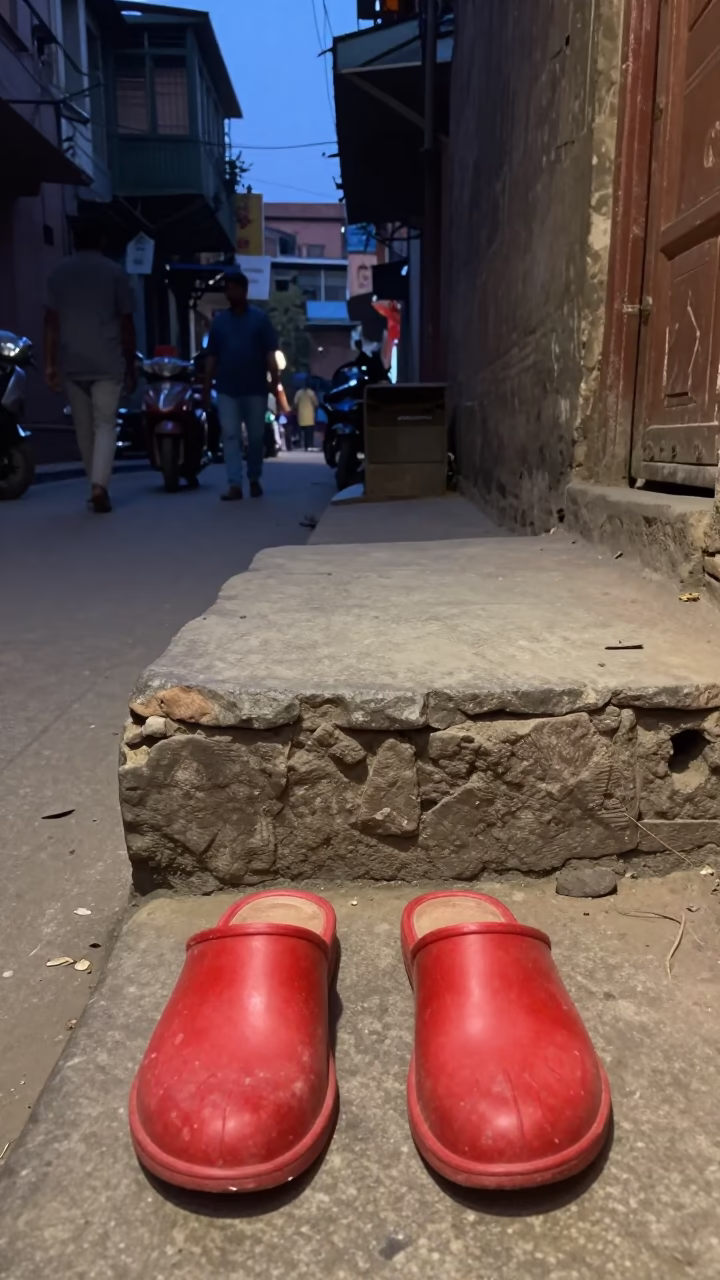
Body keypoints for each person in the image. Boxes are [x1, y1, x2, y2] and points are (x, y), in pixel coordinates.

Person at [44, 216, 137, 513]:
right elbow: (127, 323)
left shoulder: (58, 273)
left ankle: (93, 485)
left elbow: (51, 322)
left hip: (72, 359)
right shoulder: (114, 273)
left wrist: (49, 363)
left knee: (83, 429)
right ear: (102, 241)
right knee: (106, 424)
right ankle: (100, 485)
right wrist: (131, 364)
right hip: (107, 359)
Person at [203, 270, 288, 500]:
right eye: (226, 288)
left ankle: (254, 477)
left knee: (257, 436)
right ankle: (234, 484)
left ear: (244, 290)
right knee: (230, 434)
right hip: (227, 389)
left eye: (233, 287)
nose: (229, 292)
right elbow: (212, 358)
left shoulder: (260, 319)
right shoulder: (219, 323)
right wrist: (206, 387)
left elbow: (271, 355)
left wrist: (274, 385)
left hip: (255, 389)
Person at [294, 382, 319, 451]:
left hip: (301, 414)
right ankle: (309, 445)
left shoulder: (298, 393)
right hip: (310, 415)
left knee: (302, 432)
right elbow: (316, 403)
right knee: (309, 432)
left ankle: (302, 444)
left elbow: (295, 403)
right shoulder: (311, 393)